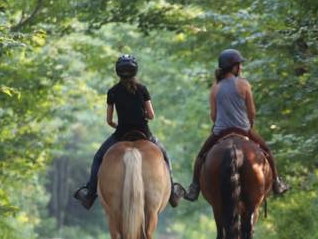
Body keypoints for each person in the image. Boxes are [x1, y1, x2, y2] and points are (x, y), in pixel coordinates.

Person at [74, 54, 186, 210]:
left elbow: (109, 120)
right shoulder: (142, 89)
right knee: (165, 156)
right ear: (135, 72)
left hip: (121, 134)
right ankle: (173, 192)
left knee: (98, 157)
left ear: (117, 72)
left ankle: (90, 194)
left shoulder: (112, 91)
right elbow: (151, 115)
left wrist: (118, 125)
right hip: (144, 134)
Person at [184, 48, 289, 201]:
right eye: (240, 64)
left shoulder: (215, 88)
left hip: (220, 132)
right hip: (244, 130)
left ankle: (194, 188)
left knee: (201, 156)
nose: (241, 67)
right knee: (267, 151)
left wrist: (221, 124)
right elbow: (252, 111)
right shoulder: (244, 84)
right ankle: (277, 183)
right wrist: (249, 124)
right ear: (234, 67)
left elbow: (213, 116)